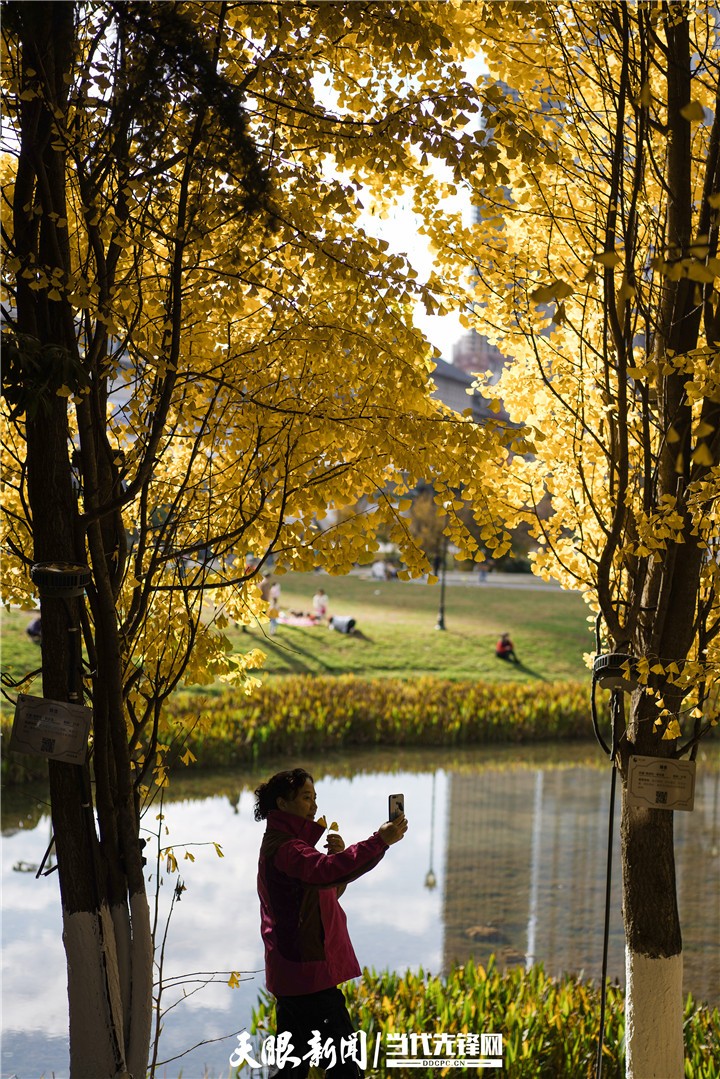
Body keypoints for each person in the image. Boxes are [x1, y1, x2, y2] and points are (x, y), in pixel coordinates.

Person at [254, 768, 408, 1077]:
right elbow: (326, 873)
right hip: (308, 977)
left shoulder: (291, 845)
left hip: (295, 974)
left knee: (291, 1070)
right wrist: (379, 841)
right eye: (306, 798)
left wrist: (334, 862)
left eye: (315, 798)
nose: (313, 806)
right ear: (283, 804)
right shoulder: (286, 849)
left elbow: (328, 889)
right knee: (345, 1069)